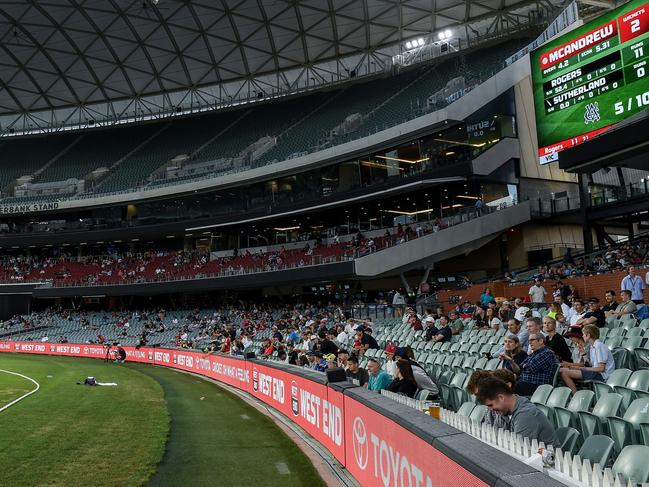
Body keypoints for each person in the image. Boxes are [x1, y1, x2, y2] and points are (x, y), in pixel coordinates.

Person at [476, 376, 558, 447]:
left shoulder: (526, 415)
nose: (490, 410)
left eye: (491, 405)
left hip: (545, 461)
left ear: (501, 398)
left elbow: (519, 450)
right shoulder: (503, 411)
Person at [560, 324, 616, 394]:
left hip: (602, 375)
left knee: (564, 373)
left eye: (583, 334)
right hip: (596, 372)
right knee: (564, 369)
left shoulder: (599, 346)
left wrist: (583, 369)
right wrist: (583, 353)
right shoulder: (593, 347)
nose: (582, 336)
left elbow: (601, 368)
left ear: (588, 335)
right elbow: (589, 364)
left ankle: (575, 395)